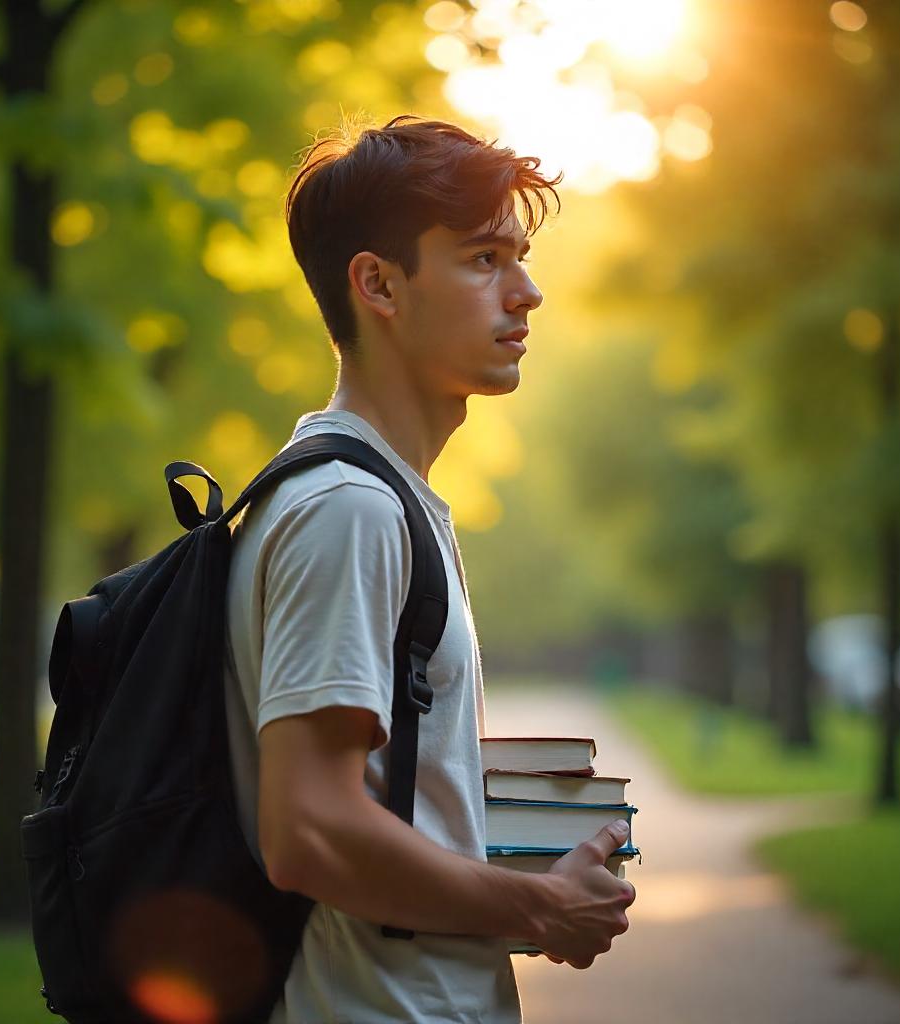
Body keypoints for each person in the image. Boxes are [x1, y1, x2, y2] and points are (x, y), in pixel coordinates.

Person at [222, 114, 635, 1024]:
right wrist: (538, 903)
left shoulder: (378, 499)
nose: (526, 293)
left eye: (520, 258)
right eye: (484, 259)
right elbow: (311, 832)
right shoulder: (350, 511)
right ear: (377, 284)